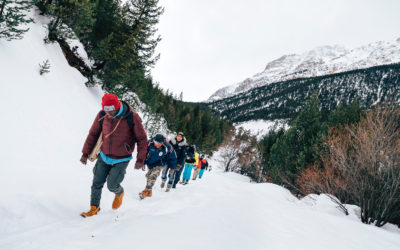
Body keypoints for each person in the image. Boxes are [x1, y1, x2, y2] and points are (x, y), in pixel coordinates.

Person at [80, 93, 147, 217]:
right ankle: (94, 207)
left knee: (112, 185)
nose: (109, 113)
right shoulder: (102, 115)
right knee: (96, 183)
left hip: (122, 159)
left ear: (117, 106)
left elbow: (142, 138)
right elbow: (93, 134)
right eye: (106, 110)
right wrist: (85, 153)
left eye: (111, 110)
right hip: (104, 155)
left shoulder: (131, 117)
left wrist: (140, 159)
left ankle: (119, 192)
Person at [139, 134, 177, 199]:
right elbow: (144, 153)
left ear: (162, 142)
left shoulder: (168, 147)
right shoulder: (149, 143)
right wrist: (143, 163)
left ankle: (146, 191)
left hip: (160, 163)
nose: (157, 144)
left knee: (153, 176)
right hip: (150, 163)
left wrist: (172, 168)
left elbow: (173, 157)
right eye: (156, 142)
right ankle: (149, 191)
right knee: (148, 176)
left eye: (159, 143)